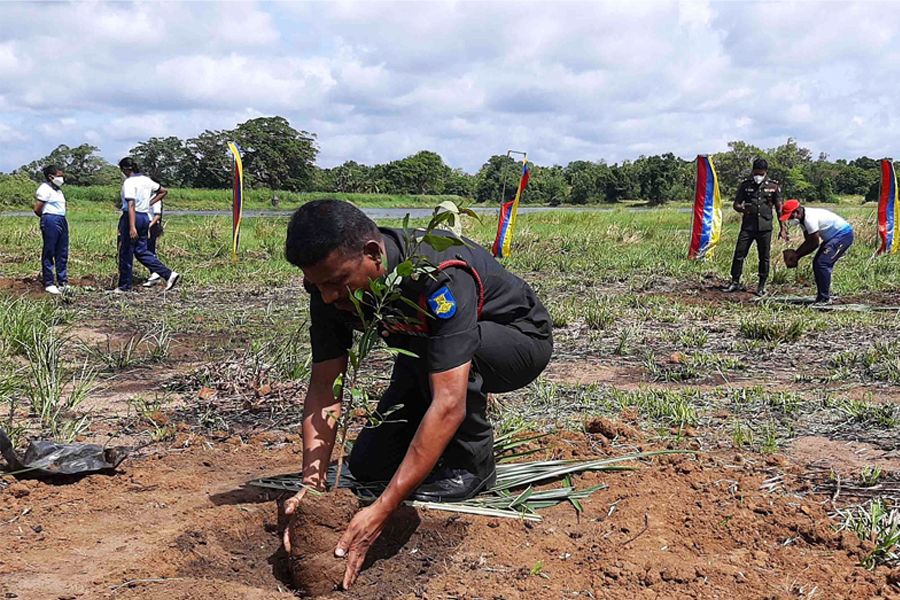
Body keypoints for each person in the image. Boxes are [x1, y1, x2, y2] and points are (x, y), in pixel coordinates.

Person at [281, 200, 553, 589]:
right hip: (423, 352)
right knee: (370, 465)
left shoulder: (437, 274)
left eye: (336, 283)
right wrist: (312, 481)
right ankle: (433, 450)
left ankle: (472, 466)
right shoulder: (328, 282)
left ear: (373, 255)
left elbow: (448, 402)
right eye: (316, 285)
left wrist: (383, 510)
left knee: (447, 356)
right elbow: (325, 384)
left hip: (514, 341)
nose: (326, 297)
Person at [725, 158, 788, 296]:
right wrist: (742, 209)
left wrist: (783, 228)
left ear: (766, 172)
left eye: (761, 173)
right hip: (748, 226)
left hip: (765, 227)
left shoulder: (773, 186)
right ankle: (735, 281)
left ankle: (761, 285)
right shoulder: (745, 185)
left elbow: (779, 208)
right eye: (755, 173)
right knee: (739, 254)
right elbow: (736, 204)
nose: (758, 176)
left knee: (764, 257)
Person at [115, 158, 179, 293]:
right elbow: (163, 191)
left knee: (126, 252)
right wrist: (149, 203)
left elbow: (131, 204)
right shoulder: (146, 180)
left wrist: (132, 226)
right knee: (141, 251)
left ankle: (124, 286)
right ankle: (168, 274)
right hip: (144, 217)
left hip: (132, 216)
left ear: (125, 170)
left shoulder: (129, 182)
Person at [780, 199, 854, 304]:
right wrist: (797, 254)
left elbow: (814, 243)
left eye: (790, 216)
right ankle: (822, 296)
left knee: (822, 263)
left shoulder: (810, 219)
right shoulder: (803, 221)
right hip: (832, 237)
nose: (789, 220)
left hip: (843, 235)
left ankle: (824, 298)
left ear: (797, 212)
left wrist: (796, 255)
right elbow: (809, 241)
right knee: (818, 263)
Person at [33, 165, 69, 295]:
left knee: (62, 251)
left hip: (61, 219)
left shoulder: (58, 190)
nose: (61, 178)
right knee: (49, 250)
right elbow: (37, 208)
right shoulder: (44, 189)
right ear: (51, 176)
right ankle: (49, 282)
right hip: (50, 219)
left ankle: (62, 281)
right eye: (59, 176)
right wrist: (46, 219)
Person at [142, 196, 164, 287]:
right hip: (145, 223)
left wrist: (149, 227)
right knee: (149, 250)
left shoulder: (155, 198)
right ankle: (154, 274)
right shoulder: (145, 196)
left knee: (145, 251)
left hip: (151, 225)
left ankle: (157, 272)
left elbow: (157, 215)